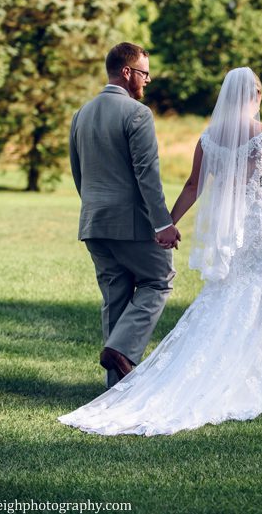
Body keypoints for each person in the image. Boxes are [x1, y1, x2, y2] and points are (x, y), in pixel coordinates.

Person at [59, 67, 262, 435]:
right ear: (256, 97)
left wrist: (167, 223)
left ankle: (132, 365)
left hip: (234, 231)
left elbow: (194, 185)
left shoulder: (209, 138)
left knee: (230, 293)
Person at [69, 42, 180, 390]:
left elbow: (78, 172)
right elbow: (147, 173)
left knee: (115, 297)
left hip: (93, 222)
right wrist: (163, 224)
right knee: (158, 281)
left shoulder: (81, 114)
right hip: (131, 223)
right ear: (127, 72)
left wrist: (94, 209)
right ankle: (121, 349)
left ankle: (115, 389)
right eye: (145, 74)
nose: (148, 81)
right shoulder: (137, 113)